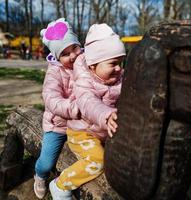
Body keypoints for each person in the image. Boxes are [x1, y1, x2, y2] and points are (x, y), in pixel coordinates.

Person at [49, 24, 126, 199]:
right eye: (113, 64)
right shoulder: (84, 82)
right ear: (92, 65)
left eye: (121, 63)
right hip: (82, 132)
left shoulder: (119, 77)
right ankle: (61, 185)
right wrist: (105, 115)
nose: (118, 68)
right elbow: (88, 103)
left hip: (105, 130)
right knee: (98, 160)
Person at [33, 18, 82, 199]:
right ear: (56, 56)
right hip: (59, 125)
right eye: (65, 53)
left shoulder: (86, 64)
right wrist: (75, 108)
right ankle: (40, 175)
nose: (72, 56)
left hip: (83, 123)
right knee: (47, 162)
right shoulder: (55, 72)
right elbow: (51, 98)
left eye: (75, 48)